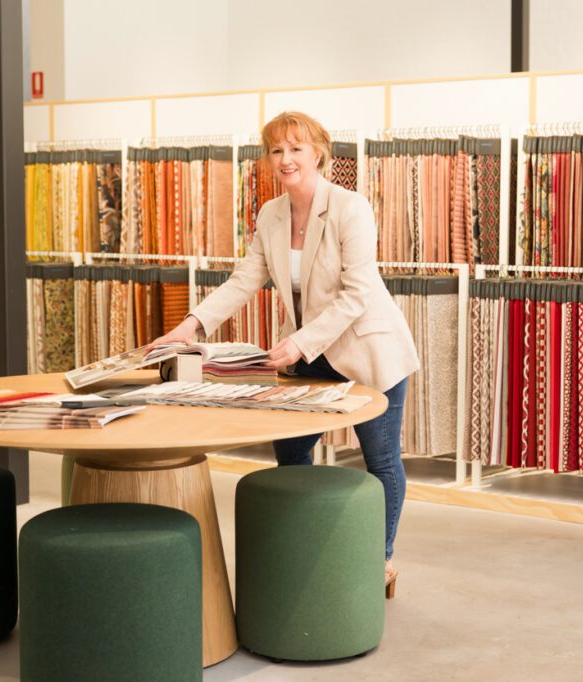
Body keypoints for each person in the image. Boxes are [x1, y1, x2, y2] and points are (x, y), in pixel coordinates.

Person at [153, 111, 419, 596]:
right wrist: (190, 326)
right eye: (276, 150)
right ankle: (305, 548)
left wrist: (299, 341)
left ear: (319, 152)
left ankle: (378, 560)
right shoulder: (270, 214)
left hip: (367, 348)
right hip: (308, 354)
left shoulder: (349, 207)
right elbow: (244, 280)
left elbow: (358, 293)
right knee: (292, 449)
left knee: (379, 458)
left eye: (296, 148)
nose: (285, 159)